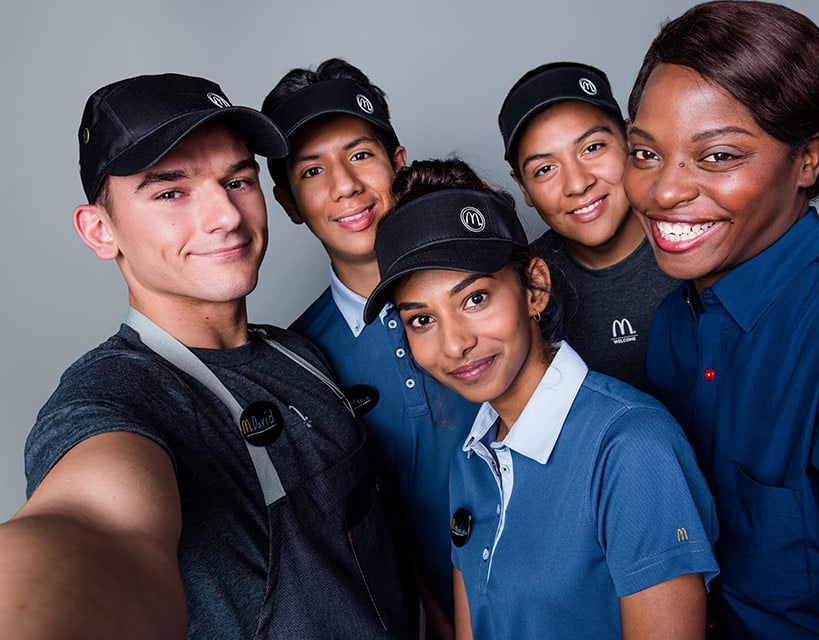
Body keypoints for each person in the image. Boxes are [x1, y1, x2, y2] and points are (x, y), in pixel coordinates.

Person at [0, 73, 416, 639]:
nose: (226, 216)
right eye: (171, 192)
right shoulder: (118, 398)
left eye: (237, 181)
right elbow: (94, 528)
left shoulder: (300, 352)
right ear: (100, 230)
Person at [623, 2, 819, 637]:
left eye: (719, 157)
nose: (663, 191)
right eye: (645, 153)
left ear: (808, 159)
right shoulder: (675, 323)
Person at [364, 158, 719, 639]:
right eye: (421, 320)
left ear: (535, 288)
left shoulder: (630, 447)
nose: (454, 344)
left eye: (475, 299)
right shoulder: (472, 459)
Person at [261, 59, 478, 633]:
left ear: (397, 163)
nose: (345, 186)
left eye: (360, 155)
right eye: (311, 172)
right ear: (287, 202)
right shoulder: (300, 360)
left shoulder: (488, 295)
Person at [498, 62, 678, 389]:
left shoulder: (697, 242)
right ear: (522, 187)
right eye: (545, 169)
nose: (578, 183)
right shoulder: (524, 289)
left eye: (592, 148)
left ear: (629, 139)